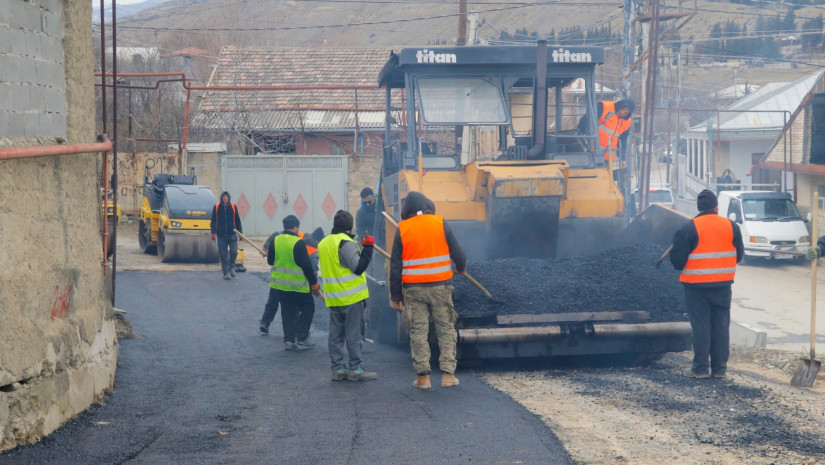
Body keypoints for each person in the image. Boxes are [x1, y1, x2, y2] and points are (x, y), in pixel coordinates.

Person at [389, 191, 467, 389]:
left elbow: (396, 265)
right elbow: (458, 251)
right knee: (446, 329)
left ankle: (423, 378)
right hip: (440, 287)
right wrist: (461, 267)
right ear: (428, 206)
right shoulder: (440, 223)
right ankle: (448, 375)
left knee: (418, 332)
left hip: (414, 290)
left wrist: (395, 294)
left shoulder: (402, 229)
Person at [670, 189, 744, 379]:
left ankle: (700, 369)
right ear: (716, 207)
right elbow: (739, 256)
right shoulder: (731, 226)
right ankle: (719, 370)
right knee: (720, 326)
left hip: (696, 288)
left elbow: (677, 262)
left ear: (698, 207)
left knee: (701, 327)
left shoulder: (690, 227)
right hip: (723, 286)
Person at [318, 210, 376, 381]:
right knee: (353, 333)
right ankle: (356, 369)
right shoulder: (345, 243)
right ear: (349, 228)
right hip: (351, 297)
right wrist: (368, 248)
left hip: (333, 296)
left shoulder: (324, 243)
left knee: (335, 334)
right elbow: (358, 267)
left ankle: (337, 369)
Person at [267, 215, 322, 350]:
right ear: (296, 227)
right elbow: (306, 266)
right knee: (308, 308)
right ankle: (302, 336)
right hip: (297, 286)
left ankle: (289, 341)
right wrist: (314, 284)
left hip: (280, 284)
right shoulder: (298, 242)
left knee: (287, 312)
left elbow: (270, 261)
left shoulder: (276, 240)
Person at [259, 227, 320, 335]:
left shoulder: (299, 235)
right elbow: (313, 269)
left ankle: (265, 322)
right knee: (294, 306)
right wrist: (313, 285)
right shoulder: (313, 250)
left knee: (273, 301)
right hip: (293, 282)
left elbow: (277, 233)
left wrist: (266, 247)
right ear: (318, 241)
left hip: (278, 277)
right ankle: (295, 331)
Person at [578, 99, 635, 170]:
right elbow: (585, 120)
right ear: (620, 105)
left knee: (605, 179)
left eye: (626, 113)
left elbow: (623, 141)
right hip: (591, 152)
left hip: (608, 158)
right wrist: (580, 138)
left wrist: (622, 158)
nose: (622, 113)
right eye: (623, 109)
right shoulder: (604, 107)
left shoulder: (626, 122)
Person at [211, 191, 243, 280]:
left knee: (234, 251)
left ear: (228, 198)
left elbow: (237, 220)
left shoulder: (233, 207)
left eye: (227, 197)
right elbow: (213, 221)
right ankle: (226, 273)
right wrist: (213, 233)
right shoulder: (217, 207)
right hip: (221, 235)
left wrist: (240, 233)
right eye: (224, 197)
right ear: (222, 198)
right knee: (223, 255)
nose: (225, 198)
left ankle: (231, 267)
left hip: (232, 234)